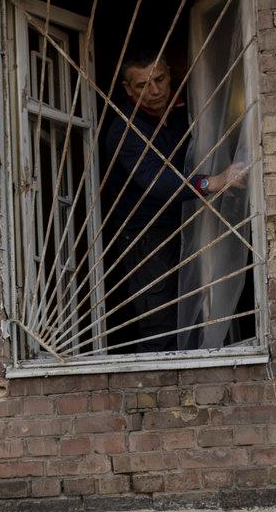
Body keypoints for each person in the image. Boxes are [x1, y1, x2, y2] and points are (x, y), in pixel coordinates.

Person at [99, 54, 249, 353]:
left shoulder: (189, 109)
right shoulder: (124, 128)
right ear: (128, 90)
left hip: (192, 219)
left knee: (209, 304)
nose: (155, 91)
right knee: (160, 322)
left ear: (171, 74)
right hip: (146, 233)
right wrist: (214, 182)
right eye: (143, 85)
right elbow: (156, 180)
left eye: (160, 79)